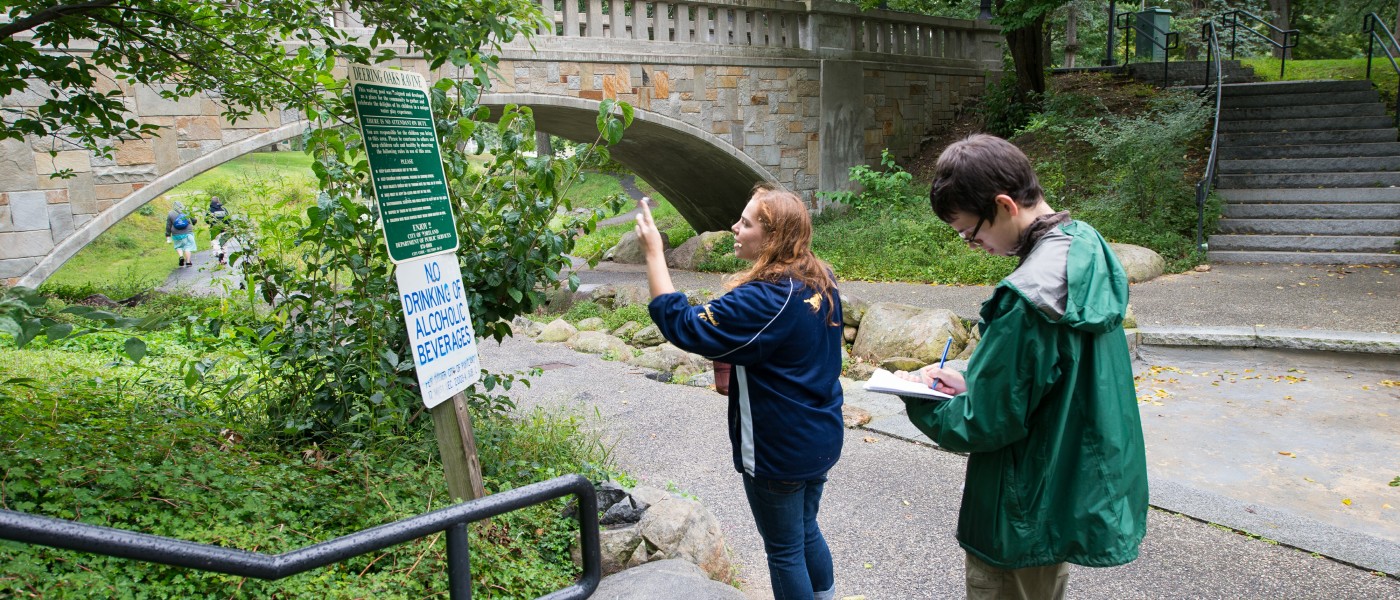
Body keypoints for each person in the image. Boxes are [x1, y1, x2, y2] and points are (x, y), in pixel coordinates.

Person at [893, 134, 1148, 600]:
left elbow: (984, 422)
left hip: (1019, 503)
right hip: (1058, 489)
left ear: (1005, 205)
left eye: (973, 232)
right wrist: (972, 377)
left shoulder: (1026, 300)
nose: (974, 244)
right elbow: (1052, 374)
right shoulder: (1081, 248)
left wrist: (914, 396)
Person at [633, 183, 844, 600]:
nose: (734, 227)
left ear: (772, 237)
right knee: (805, 529)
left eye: (745, 223)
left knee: (784, 549)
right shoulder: (818, 275)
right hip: (820, 433)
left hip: (778, 447)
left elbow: (683, 324)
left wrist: (654, 252)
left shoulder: (765, 297)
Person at [165, 201, 197, 268]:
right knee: (188, 247)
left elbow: (168, 225)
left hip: (176, 233)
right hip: (187, 232)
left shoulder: (171, 213)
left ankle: (181, 256)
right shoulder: (186, 211)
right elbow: (194, 220)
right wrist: (193, 223)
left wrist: (168, 235)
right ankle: (188, 262)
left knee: (178, 246)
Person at [208, 195, 229, 265]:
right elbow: (228, 219)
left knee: (215, 242)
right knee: (224, 244)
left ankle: (219, 252)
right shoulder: (224, 209)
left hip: (214, 229)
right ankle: (224, 260)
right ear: (218, 201)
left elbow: (207, 220)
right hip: (224, 229)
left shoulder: (210, 210)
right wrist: (229, 226)